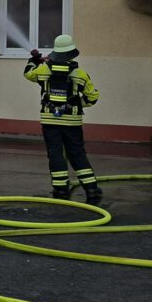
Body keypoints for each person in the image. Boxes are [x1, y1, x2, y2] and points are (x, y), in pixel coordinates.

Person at [24, 34, 102, 204]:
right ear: (71, 53)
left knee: (55, 153)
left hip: (50, 120)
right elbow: (92, 98)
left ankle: (60, 190)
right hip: (72, 122)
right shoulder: (80, 74)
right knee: (77, 153)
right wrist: (76, 104)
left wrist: (34, 60)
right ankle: (92, 189)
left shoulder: (43, 70)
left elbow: (28, 74)